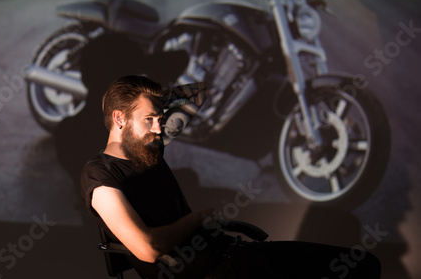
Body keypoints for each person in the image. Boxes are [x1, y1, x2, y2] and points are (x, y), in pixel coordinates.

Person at [80, 75, 381, 278]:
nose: (159, 128)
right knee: (360, 268)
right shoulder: (100, 174)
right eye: (149, 120)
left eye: (161, 119)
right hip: (220, 270)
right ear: (119, 118)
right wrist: (196, 219)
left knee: (366, 265)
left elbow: (199, 93)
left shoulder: (149, 152)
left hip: (235, 257)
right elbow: (147, 249)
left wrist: (154, 101)